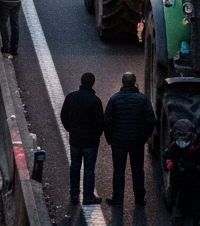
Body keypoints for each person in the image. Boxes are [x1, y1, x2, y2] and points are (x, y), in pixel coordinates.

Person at [102, 73, 155, 207]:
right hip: (137, 141)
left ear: (122, 83)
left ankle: (118, 199)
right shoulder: (142, 99)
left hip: (118, 142)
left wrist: (110, 139)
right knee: (138, 170)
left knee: (118, 170)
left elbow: (107, 121)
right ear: (134, 82)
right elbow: (150, 121)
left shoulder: (114, 99)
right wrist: (144, 137)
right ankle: (139, 198)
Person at [163, 119, 200, 226]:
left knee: (198, 217)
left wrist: (190, 167)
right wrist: (170, 163)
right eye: (179, 135)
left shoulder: (198, 148)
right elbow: (167, 157)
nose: (181, 138)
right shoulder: (174, 147)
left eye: (184, 135)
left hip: (196, 188)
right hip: (181, 188)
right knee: (177, 216)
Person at [59, 73, 104, 205]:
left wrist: (70, 129)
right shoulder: (95, 101)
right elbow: (100, 123)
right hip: (90, 142)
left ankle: (74, 194)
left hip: (75, 140)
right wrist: (96, 136)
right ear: (92, 83)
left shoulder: (71, 97)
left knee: (75, 166)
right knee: (89, 169)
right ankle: (88, 196)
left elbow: (63, 116)